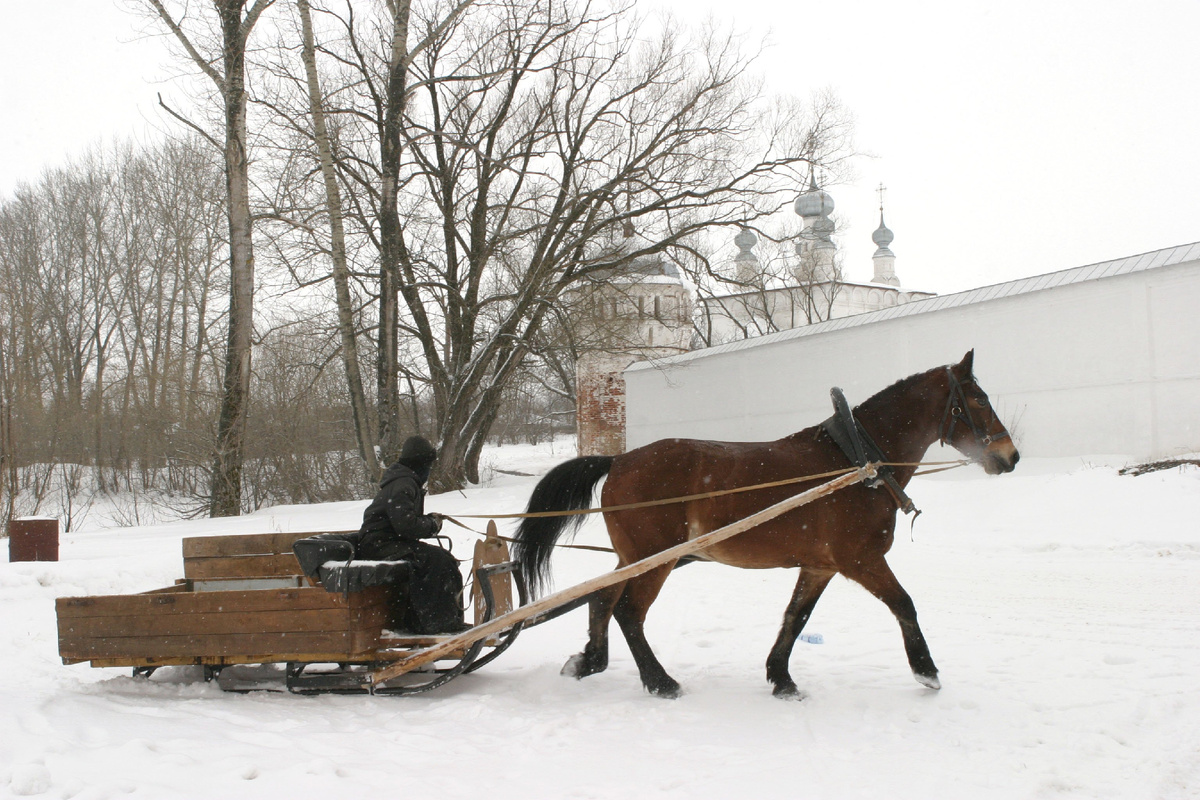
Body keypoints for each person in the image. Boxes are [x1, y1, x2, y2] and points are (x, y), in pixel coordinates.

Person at [354, 435, 467, 634]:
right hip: (380, 544)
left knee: (443, 560)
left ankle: (445, 619)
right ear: (421, 464)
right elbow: (406, 525)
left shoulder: (405, 481)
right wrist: (431, 524)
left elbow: (405, 522)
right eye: (428, 465)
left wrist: (429, 522)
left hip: (387, 541)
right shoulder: (403, 484)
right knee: (436, 562)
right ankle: (434, 623)